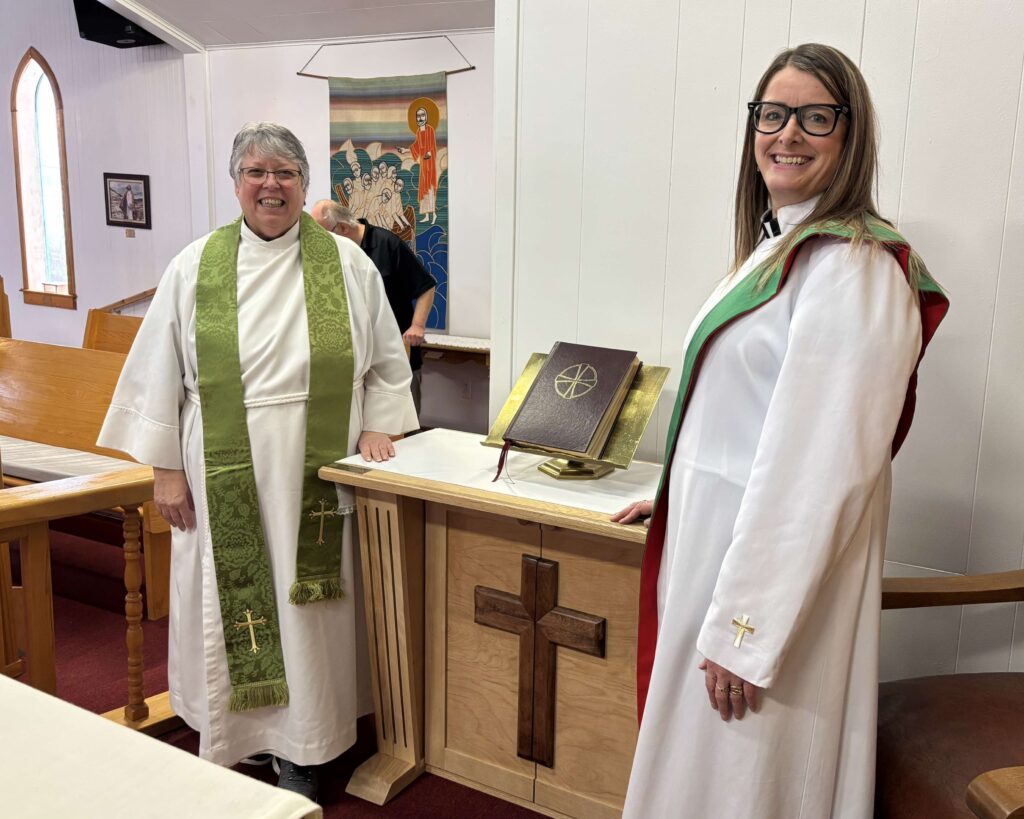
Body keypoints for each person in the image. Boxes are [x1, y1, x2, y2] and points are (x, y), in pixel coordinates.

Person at [613, 44, 949, 818]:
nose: (786, 133)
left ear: (850, 133)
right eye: (772, 113)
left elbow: (821, 467)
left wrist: (746, 629)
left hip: (764, 598)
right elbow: (737, 418)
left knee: (742, 781)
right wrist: (672, 495)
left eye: (814, 116)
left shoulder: (856, 267)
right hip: (718, 551)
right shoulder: (777, 248)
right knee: (695, 776)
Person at [97, 122, 418, 803]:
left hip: (318, 463)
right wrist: (164, 468)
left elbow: (387, 362)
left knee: (309, 610)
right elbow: (158, 373)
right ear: (237, 182)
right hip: (220, 466)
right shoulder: (194, 266)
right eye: (257, 171)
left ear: (305, 185)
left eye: (285, 173)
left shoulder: (347, 264)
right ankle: (230, 732)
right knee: (230, 599)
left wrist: (378, 426)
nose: (270, 185)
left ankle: (305, 743)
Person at [311, 199, 436, 414]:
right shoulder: (332, 255)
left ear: (341, 228)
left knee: (403, 421)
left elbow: (426, 286)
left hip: (396, 352)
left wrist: (417, 325)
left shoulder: (387, 243)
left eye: (324, 235)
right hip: (354, 358)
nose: (321, 242)